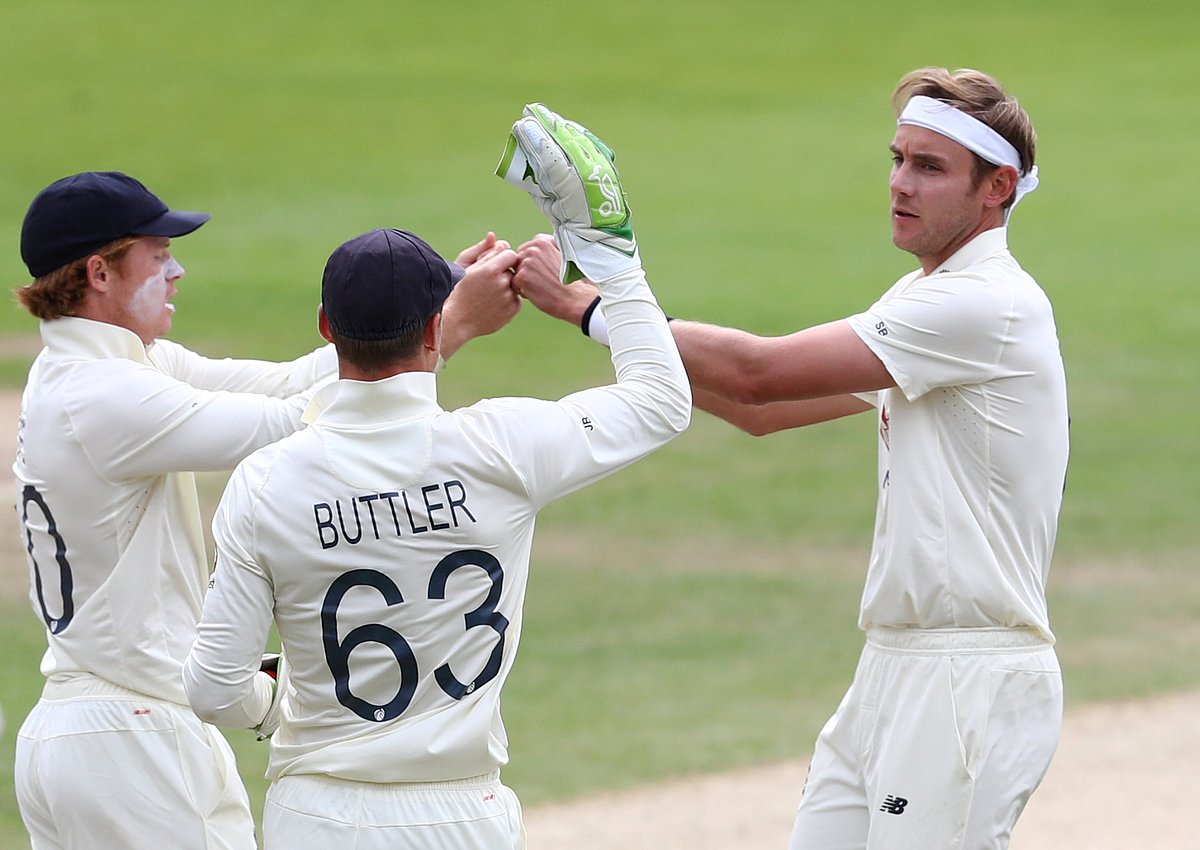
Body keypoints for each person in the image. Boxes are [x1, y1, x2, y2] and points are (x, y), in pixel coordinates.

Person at [514, 68, 1069, 850]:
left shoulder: (986, 306)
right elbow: (755, 413)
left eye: (930, 167)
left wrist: (593, 299)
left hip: (965, 676)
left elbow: (757, 371)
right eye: (898, 158)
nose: (900, 184)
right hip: (895, 667)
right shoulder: (923, 305)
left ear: (997, 188)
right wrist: (617, 328)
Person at [182, 105, 690, 850]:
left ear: (327, 328)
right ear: (434, 330)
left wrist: (286, 702)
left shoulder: (266, 483)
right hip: (462, 816)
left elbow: (212, 689)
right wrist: (611, 256)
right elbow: (660, 400)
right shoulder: (501, 447)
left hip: (319, 816)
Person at [11, 170, 520, 850]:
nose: (177, 271)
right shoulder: (103, 395)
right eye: (158, 257)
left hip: (82, 735)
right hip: (135, 739)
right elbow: (300, 428)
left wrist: (417, 304)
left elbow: (292, 383)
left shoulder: (109, 369)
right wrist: (443, 330)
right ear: (99, 273)